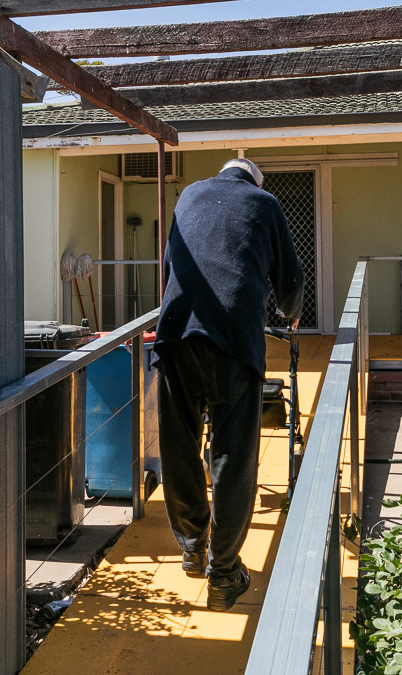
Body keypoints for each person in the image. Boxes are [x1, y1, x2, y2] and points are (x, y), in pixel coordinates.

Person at [154, 158, 305, 611]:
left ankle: (191, 546)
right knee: (232, 456)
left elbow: (169, 266)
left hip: (177, 331)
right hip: (233, 341)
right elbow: (291, 279)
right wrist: (290, 312)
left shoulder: (188, 195)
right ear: (255, 180)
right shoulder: (265, 202)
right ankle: (223, 573)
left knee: (179, 446)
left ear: (222, 175)